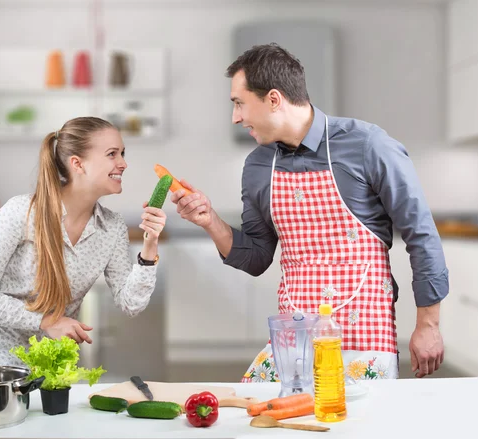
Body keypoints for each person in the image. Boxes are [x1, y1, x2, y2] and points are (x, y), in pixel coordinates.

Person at [171, 43, 448, 381]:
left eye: (239, 103)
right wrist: (209, 220)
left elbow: (421, 233)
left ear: (274, 99)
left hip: (363, 339)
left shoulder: (367, 145)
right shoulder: (258, 164)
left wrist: (428, 324)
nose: (236, 116)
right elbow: (257, 258)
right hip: (293, 343)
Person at [0, 117, 166, 367]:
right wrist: (46, 321)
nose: (123, 163)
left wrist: (149, 248)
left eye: (122, 153)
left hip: (50, 364)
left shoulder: (111, 227)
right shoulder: (21, 212)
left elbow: (130, 303)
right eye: (112, 154)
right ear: (78, 164)